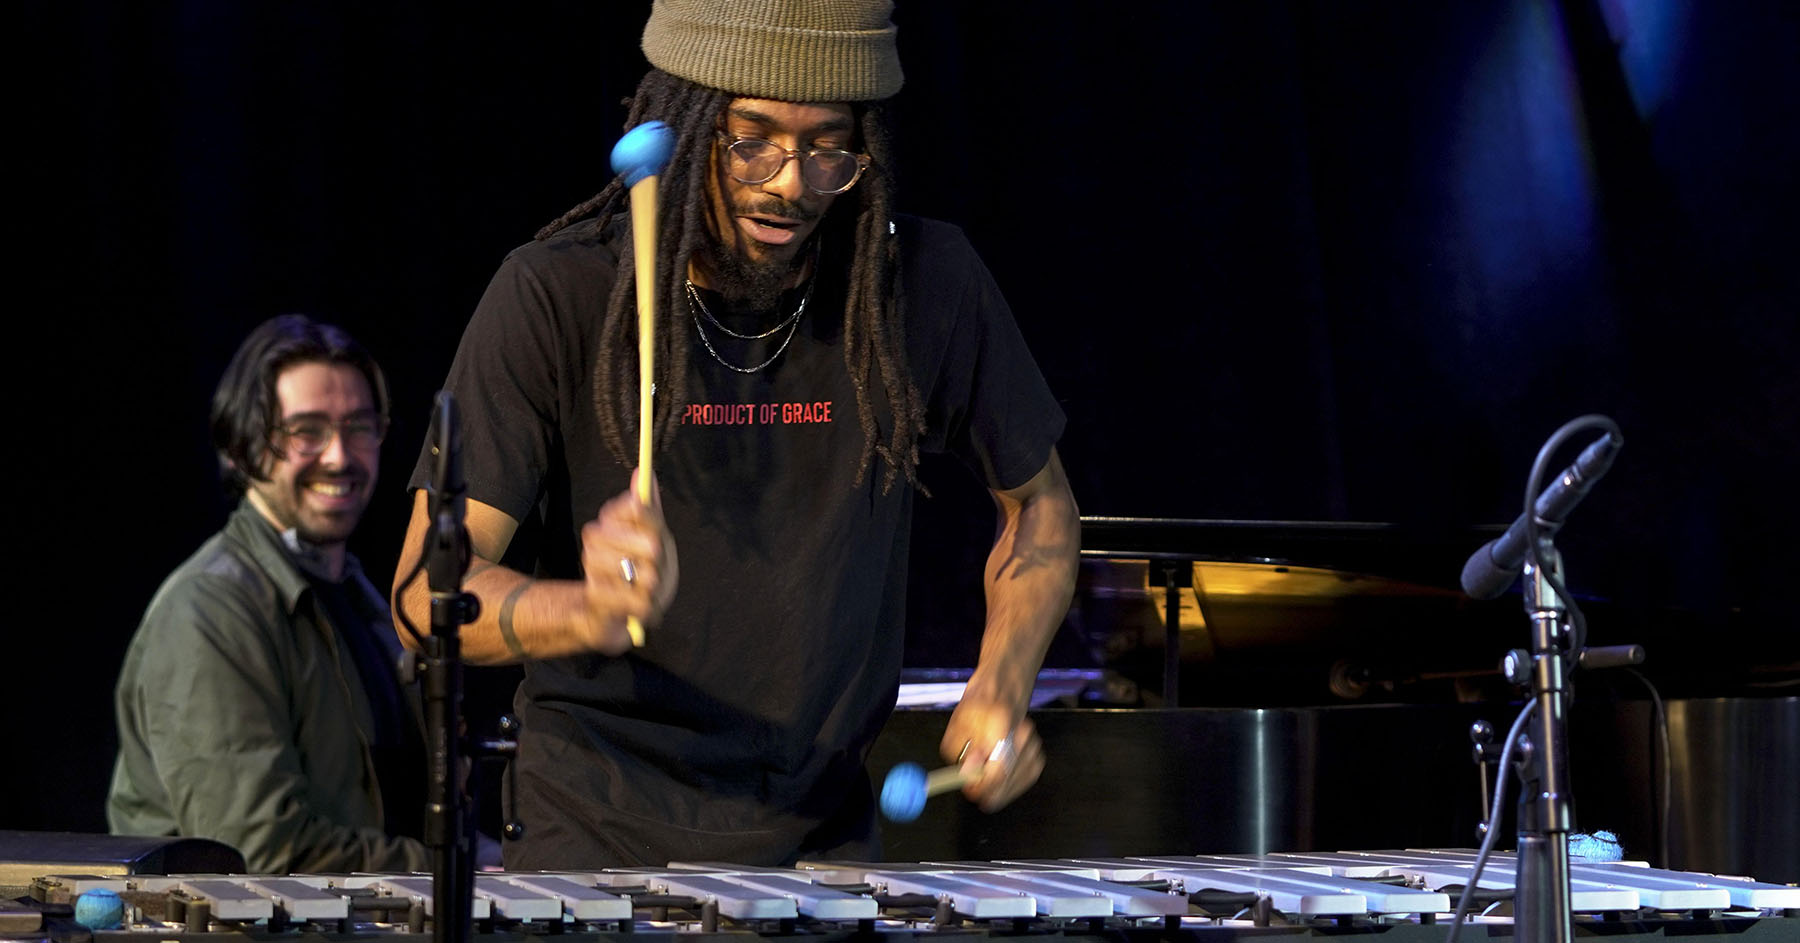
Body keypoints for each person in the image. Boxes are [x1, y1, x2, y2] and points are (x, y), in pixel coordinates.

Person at [393, 0, 1080, 868]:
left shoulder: (922, 288)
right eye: (751, 139)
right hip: (597, 836)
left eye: (828, 148)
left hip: (823, 838)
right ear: (680, 127)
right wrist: (583, 609)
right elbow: (424, 598)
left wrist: (1000, 685)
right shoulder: (557, 295)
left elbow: (1042, 510)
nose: (791, 182)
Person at [108, 314, 430, 874]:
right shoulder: (208, 610)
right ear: (245, 444)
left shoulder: (361, 595)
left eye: (359, 425)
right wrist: (454, 868)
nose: (339, 456)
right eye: (306, 430)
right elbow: (258, 856)